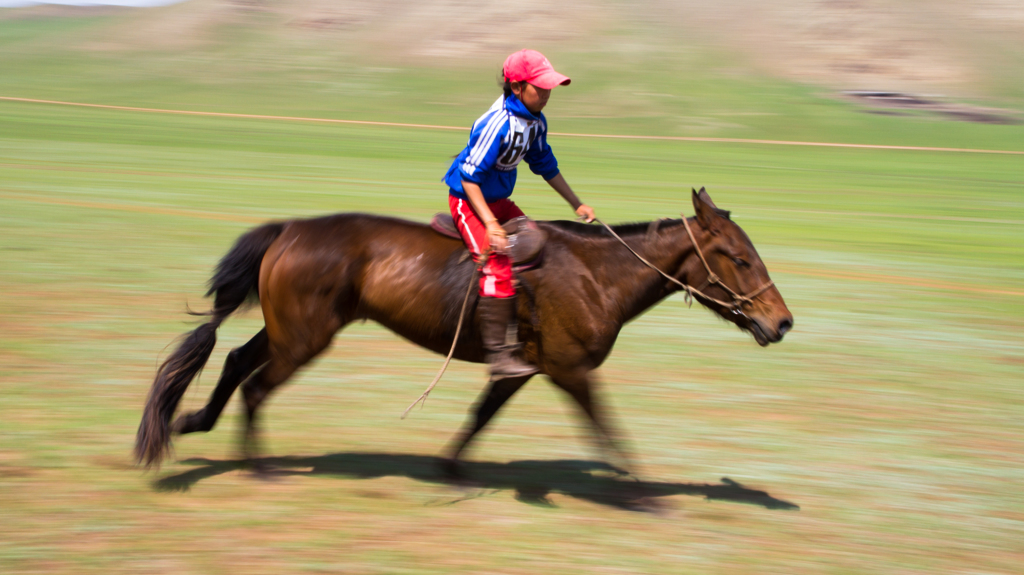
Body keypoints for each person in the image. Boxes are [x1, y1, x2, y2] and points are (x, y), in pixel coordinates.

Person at [444, 49, 596, 380]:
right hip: (469, 201)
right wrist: (490, 226)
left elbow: (546, 166)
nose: (547, 94)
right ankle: (499, 357)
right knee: (498, 261)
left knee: (537, 242)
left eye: (549, 87)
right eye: (540, 87)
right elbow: (469, 179)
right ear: (516, 87)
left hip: (499, 200)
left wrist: (576, 204)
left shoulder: (535, 122)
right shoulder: (497, 122)